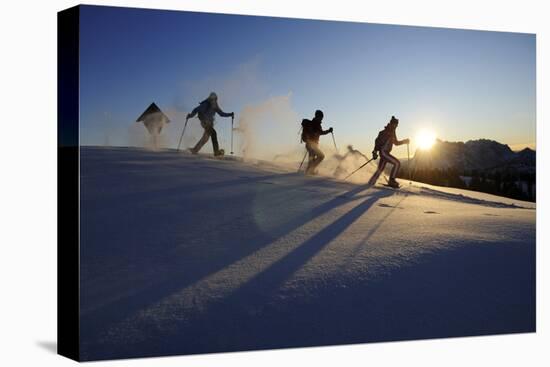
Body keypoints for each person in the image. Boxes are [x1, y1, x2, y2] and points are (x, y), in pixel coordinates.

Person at [368, 116, 409, 188]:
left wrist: (404, 141)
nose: (396, 126)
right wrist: (375, 152)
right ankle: (392, 181)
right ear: (391, 124)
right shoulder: (385, 132)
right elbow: (377, 142)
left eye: (397, 125)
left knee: (380, 169)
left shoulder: (392, 132)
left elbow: (396, 143)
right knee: (397, 163)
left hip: (385, 153)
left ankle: (371, 182)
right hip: (384, 152)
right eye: (395, 124)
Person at [301, 110, 333, 175]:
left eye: (322, 117)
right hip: (311, 145)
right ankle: (309, 172)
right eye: (321, 117)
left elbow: (319, 132)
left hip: (312, 145)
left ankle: (309, 172)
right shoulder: (314, 124)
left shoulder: (316, 124)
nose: (322, 118)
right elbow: (320, 132)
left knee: (313, 159)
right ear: (317, 116)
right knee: (321, 156)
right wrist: (329, 131)